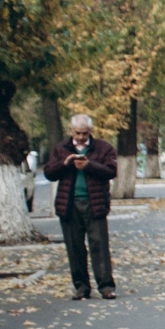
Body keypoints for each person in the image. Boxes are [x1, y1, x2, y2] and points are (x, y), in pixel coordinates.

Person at [48, 115, 118, 300]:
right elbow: (49, 173)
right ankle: (81, 286)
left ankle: (106, 286)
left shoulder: (103, 148)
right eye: (77, 133)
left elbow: (111, 171)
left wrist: (89, 165)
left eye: (84, 133)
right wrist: (65, 164)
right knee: (74, 247)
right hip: (69, 205)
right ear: (71, 131)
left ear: (91, 132)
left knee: (99, 245)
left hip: (95, 203)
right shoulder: (61, 149)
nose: (80, 137)